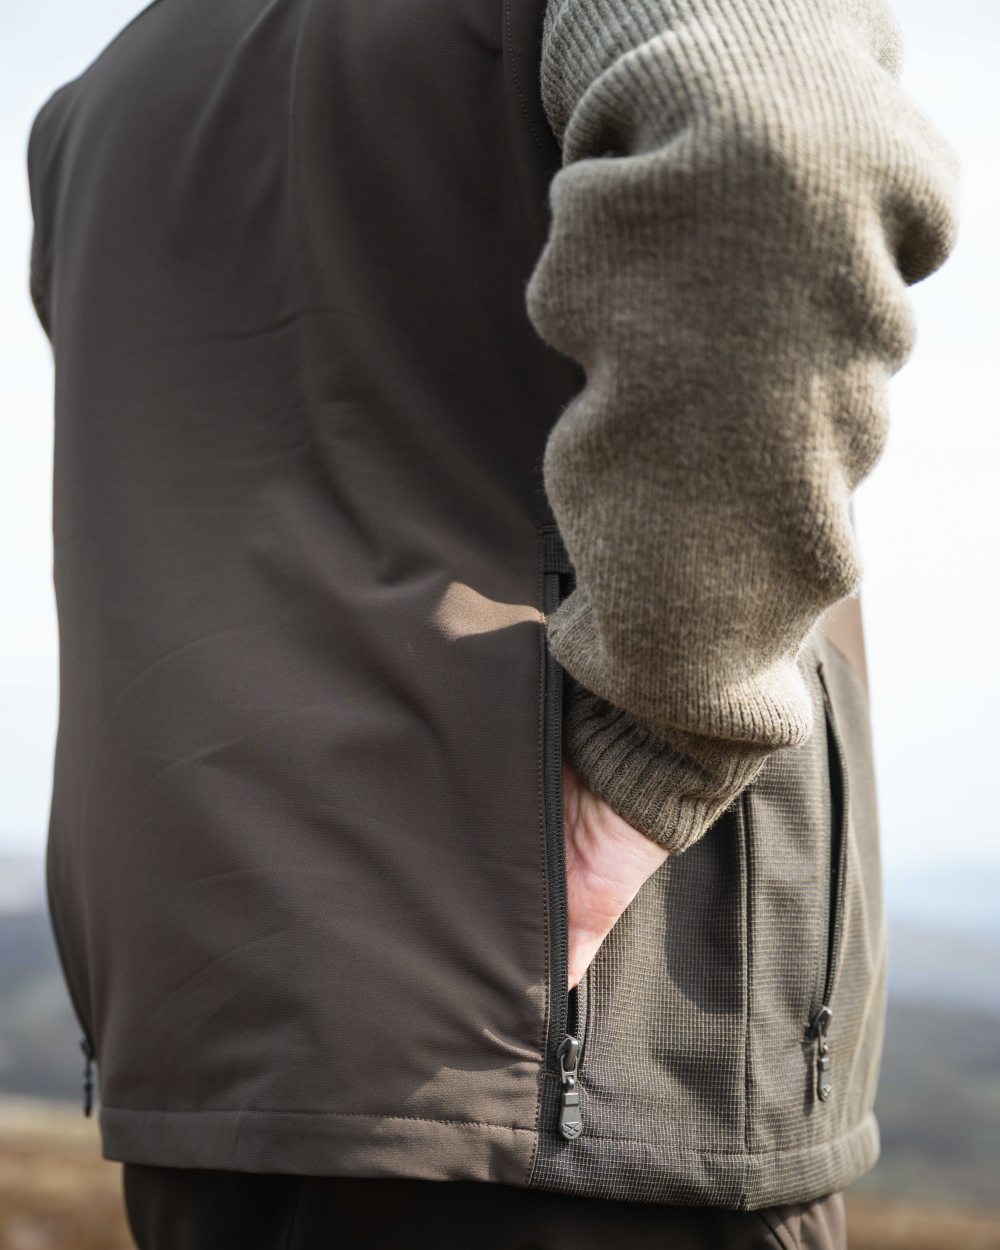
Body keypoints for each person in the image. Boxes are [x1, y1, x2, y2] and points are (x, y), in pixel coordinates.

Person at [24, 0, 958, 1245]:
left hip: (209, 1081)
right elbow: (774, 139)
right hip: (568, 1086)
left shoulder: (103, 94)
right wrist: (655, 760)